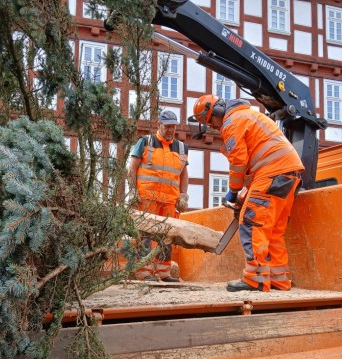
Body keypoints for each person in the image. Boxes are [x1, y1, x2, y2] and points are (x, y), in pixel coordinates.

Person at [190, 95, 303, 292]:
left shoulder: (232, 122)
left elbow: (239, 162)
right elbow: (255, 161)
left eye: (211, 122)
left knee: (251, 222)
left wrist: (233, 192)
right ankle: (278, 279)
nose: (214, 127)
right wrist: (247, 190)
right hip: (288, 173)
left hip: (272, 172)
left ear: (216, 112)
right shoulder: (247, 115)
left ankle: (255, 279)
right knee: (273, 229)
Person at [128, 110, 189, 282]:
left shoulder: (181, 148)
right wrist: (132, 191)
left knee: (167, 236)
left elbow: (184, 174)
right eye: (167, 126)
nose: (171, 130)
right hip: (147, 199)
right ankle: (144, 272)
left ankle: (164, 272)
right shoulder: (145, 142)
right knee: (146, 235)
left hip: (169, 200)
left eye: (173, 126)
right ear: (159, 125)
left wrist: (183, 195)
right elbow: (132, 168)